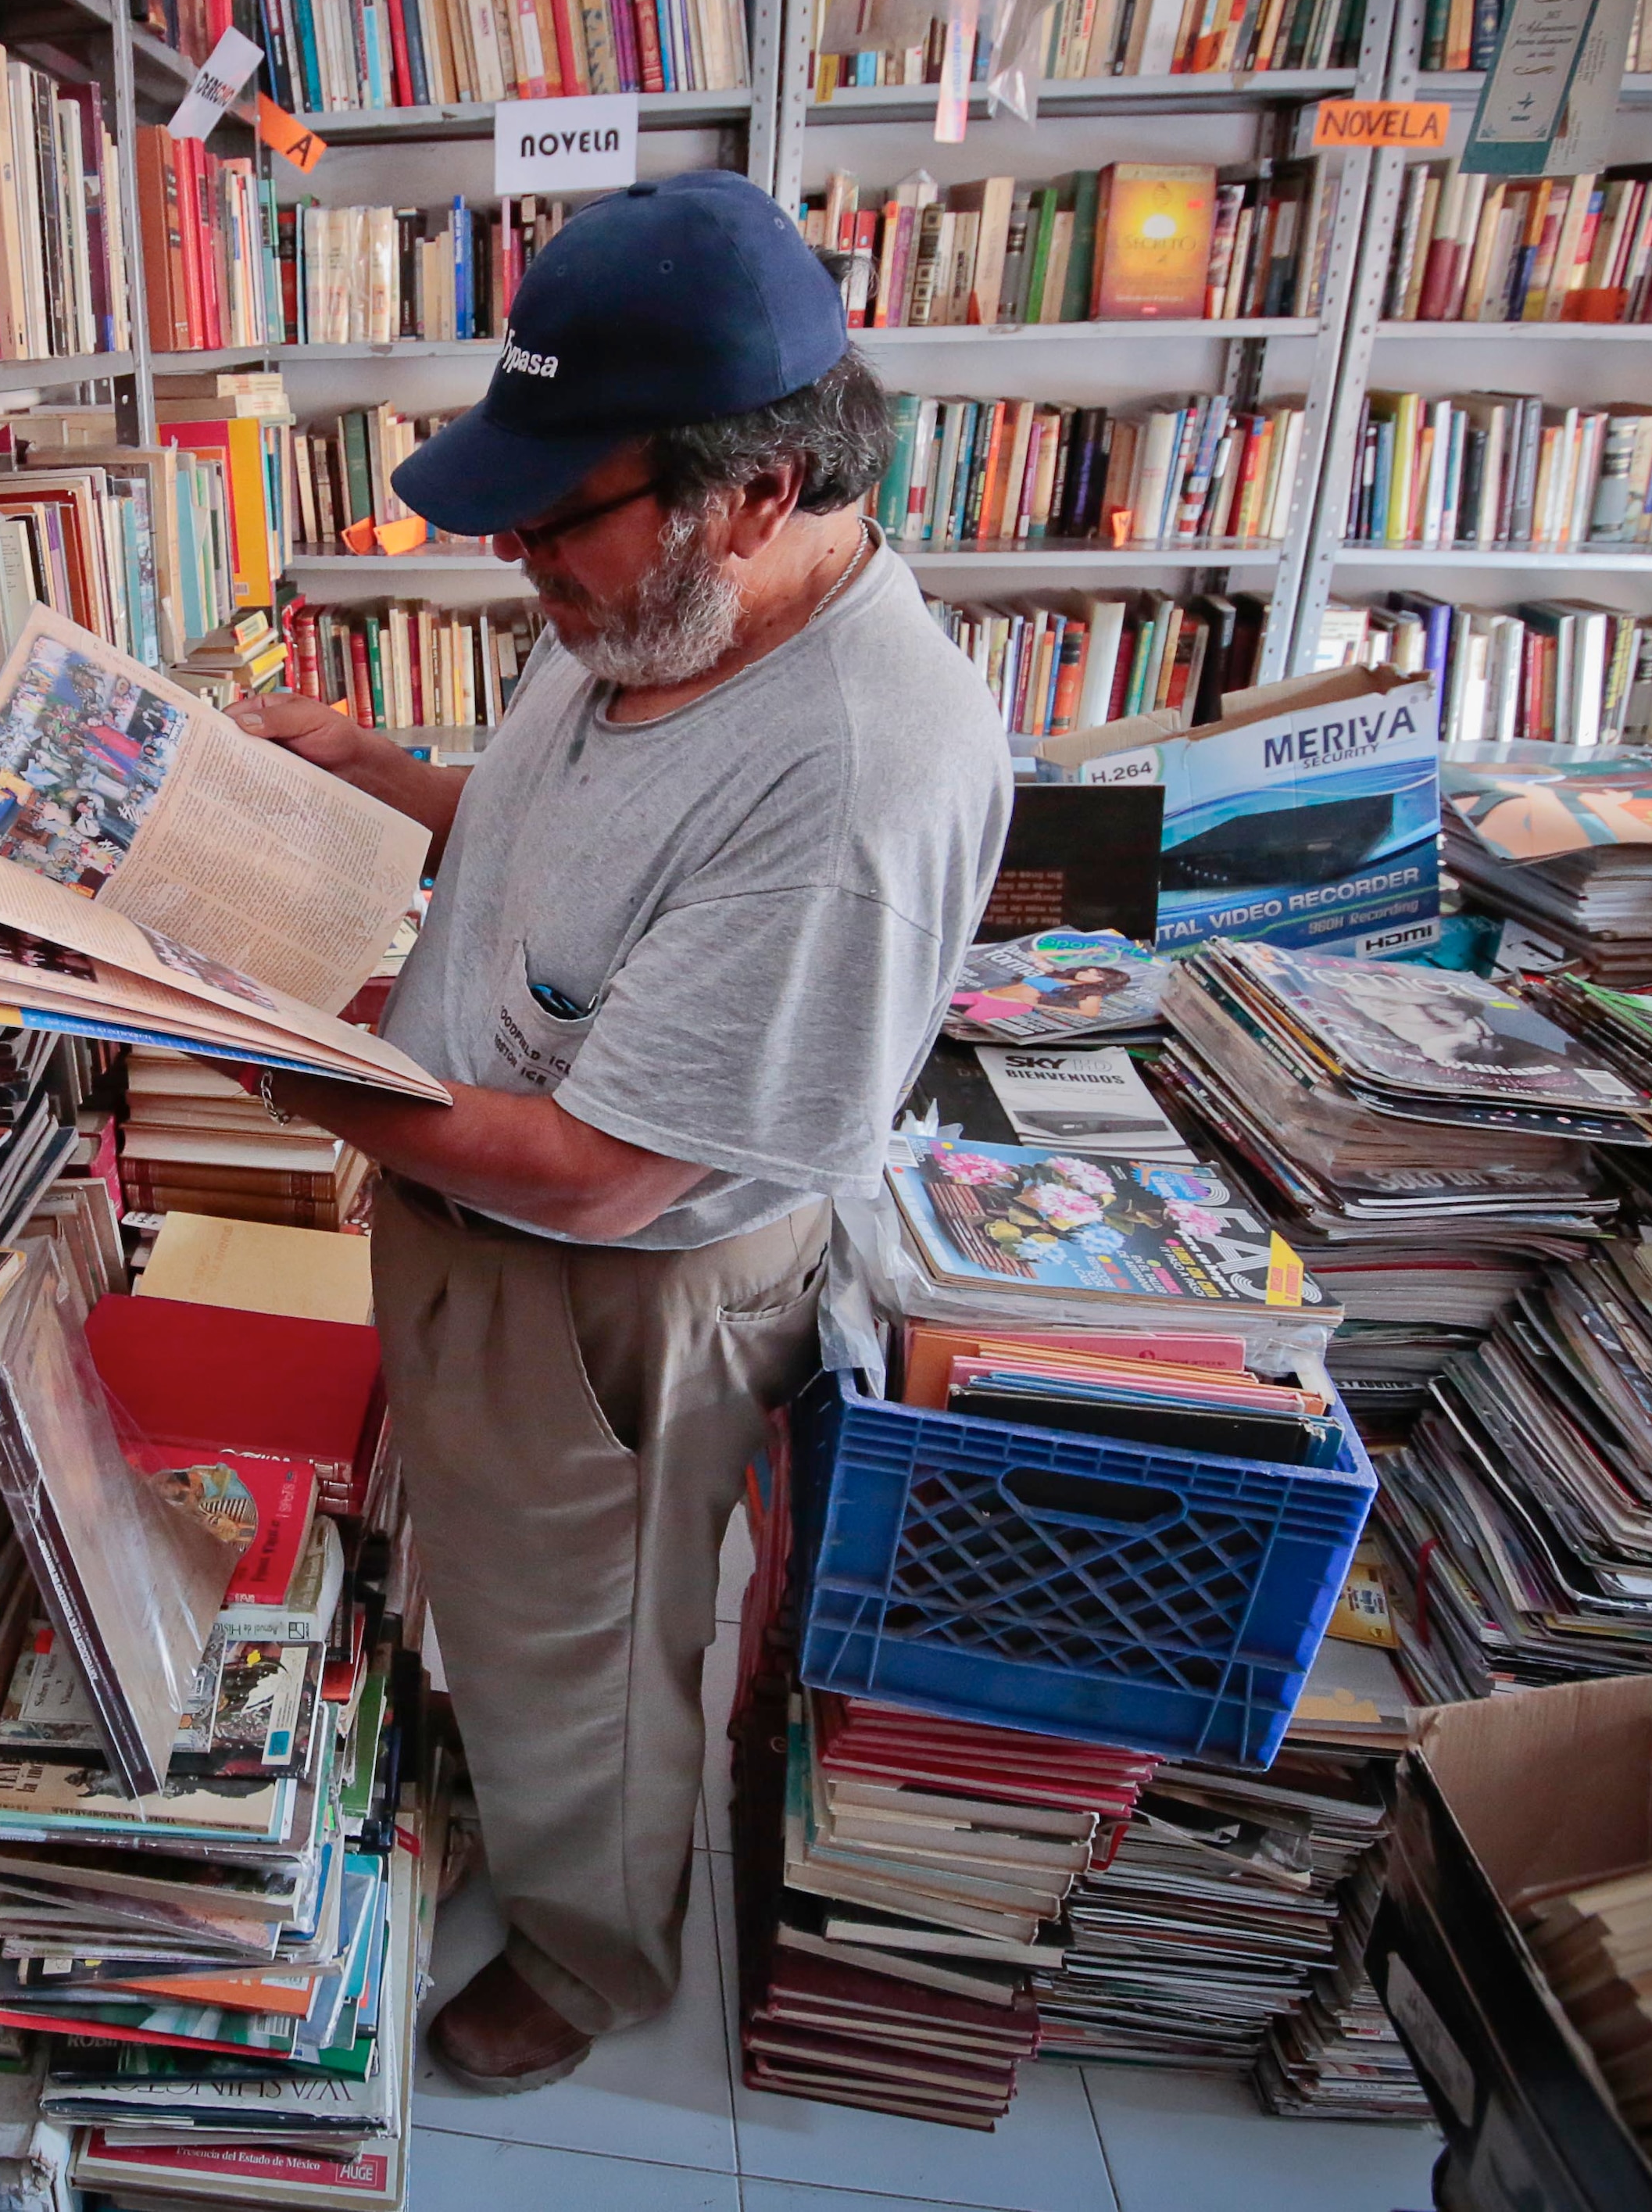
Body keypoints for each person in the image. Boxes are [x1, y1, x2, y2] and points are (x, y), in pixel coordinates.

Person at [217, 171, 1013, 2093]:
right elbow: (575, 841)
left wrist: (271, 1055)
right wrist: (383, 779)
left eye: (556, 516)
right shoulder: (658, 603)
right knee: (513, 1606)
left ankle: (592, 1957)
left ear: (753, 491)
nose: (522, 562)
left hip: (606, 1286)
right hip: (472, 1205)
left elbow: (605, 1170)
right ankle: (524, 1803)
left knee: (599, 1644)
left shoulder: (847, 777)